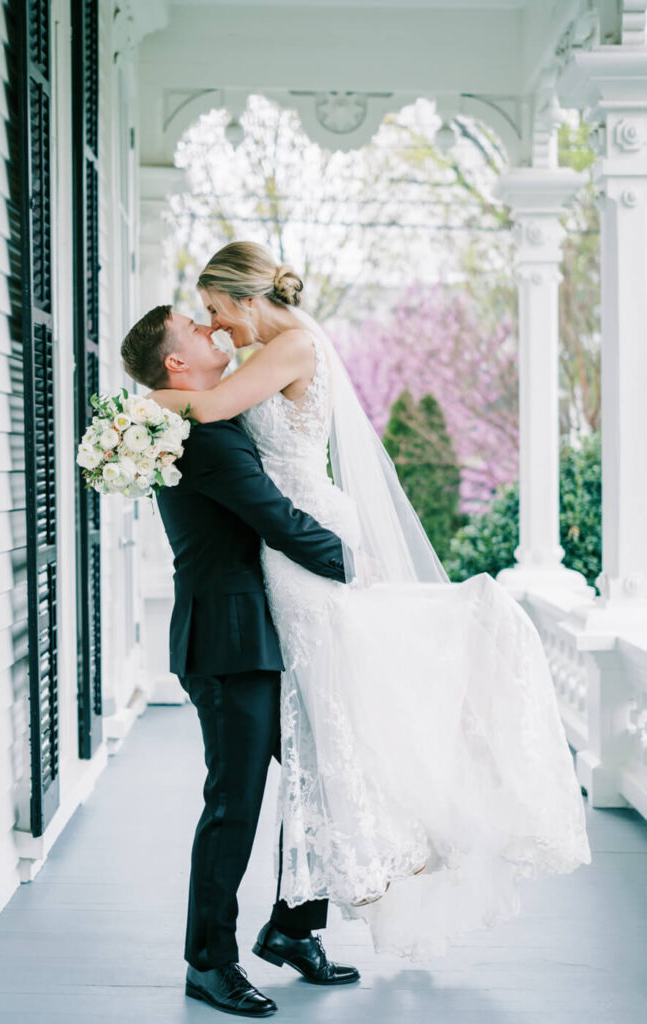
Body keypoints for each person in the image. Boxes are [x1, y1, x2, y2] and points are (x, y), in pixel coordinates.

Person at [145, 241, 592, 963]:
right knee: (324, 739)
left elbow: (215, 404)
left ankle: (330, 896)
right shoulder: (272, 355)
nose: (216, 326)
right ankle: (291, 925)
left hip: (308, 546)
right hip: (288, 557)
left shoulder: (285, 348)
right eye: (203, 321)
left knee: (335, 732)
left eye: (216, 310)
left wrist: (142, 408)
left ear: (246, 297)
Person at [120, 311, 360, 1019]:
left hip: (270, 632)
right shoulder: (206, 440)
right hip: (229, 643)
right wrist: (363, 565)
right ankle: (209, 962)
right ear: (176, 365)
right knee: (234, 804)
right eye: (193, 327)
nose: (209, 328)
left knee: (316, 779)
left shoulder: (216, 420)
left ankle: (291, 928)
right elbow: (279, 523)